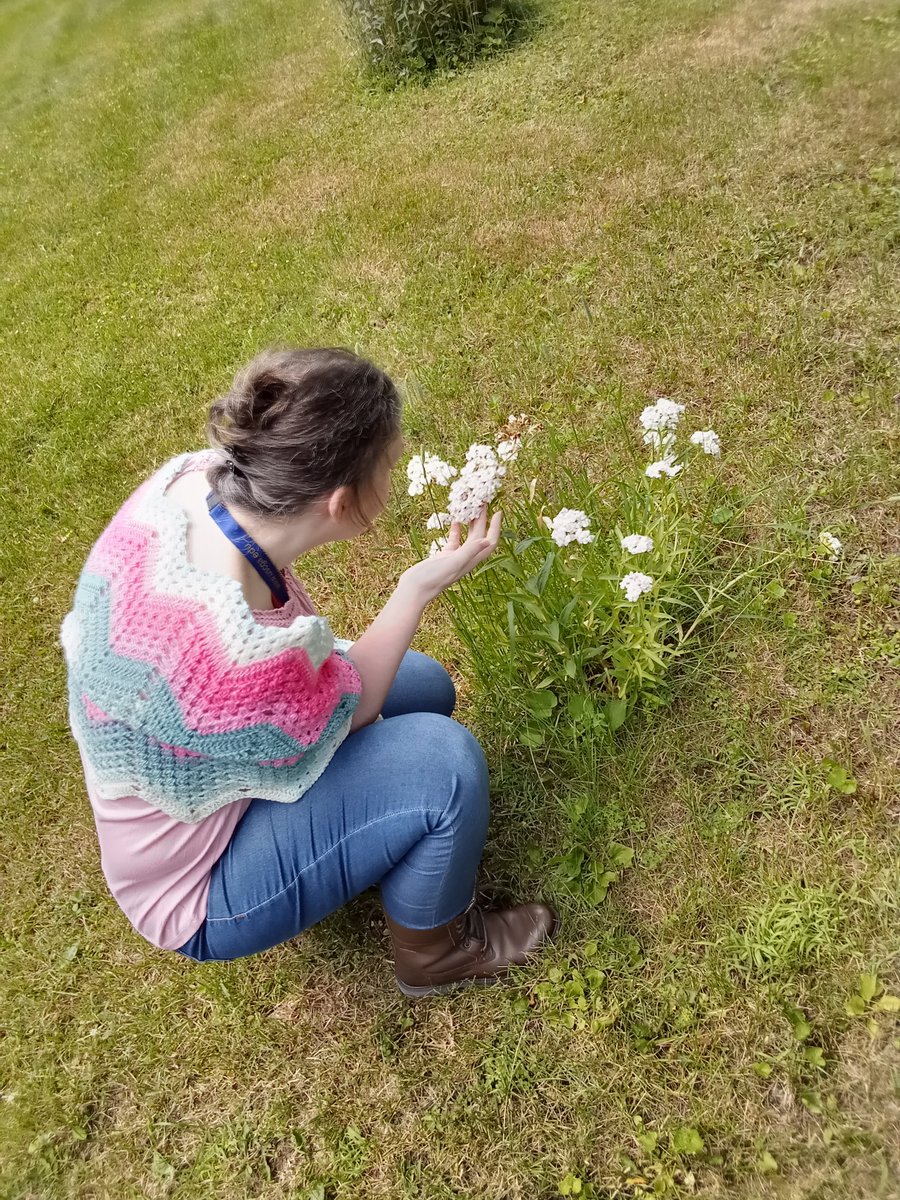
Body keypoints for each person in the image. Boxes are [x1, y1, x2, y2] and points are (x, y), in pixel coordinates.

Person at [61, 347, 557, 997]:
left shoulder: (193, 481)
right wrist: (414, 588)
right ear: (341, 502)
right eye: (390, 465)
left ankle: (374, 840)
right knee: (443, 764)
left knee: (426, 687)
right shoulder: (236, 653)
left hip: (205, 773)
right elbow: (358, 708)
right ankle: (436, 954)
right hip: (197, 893)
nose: (394, 475)